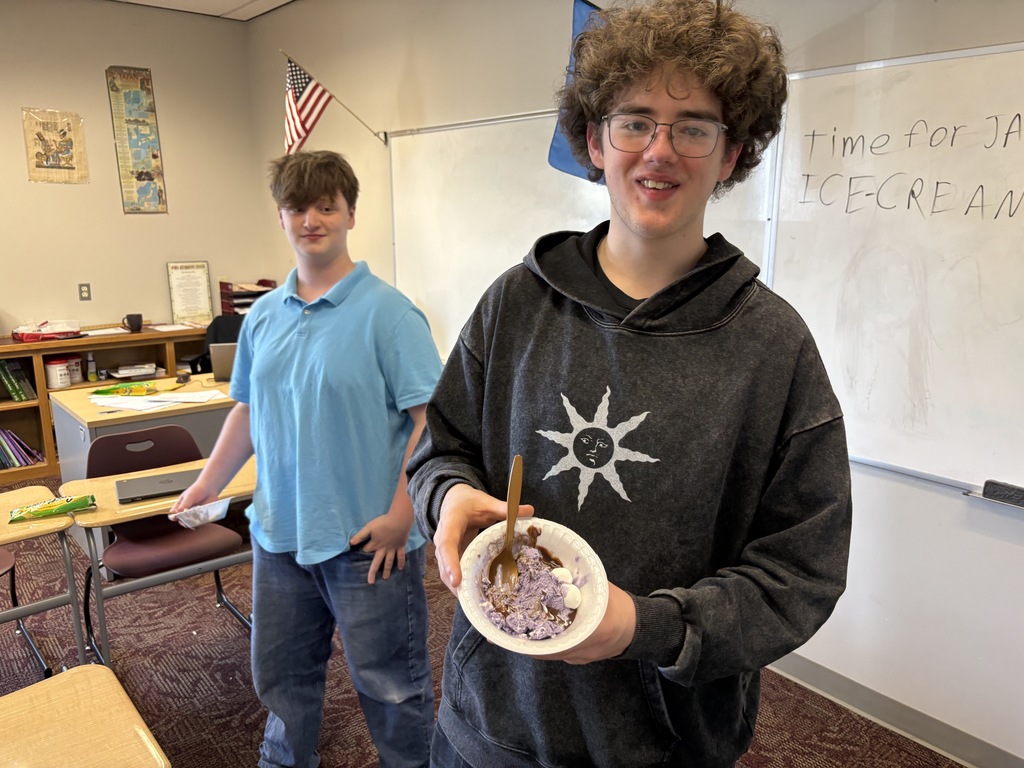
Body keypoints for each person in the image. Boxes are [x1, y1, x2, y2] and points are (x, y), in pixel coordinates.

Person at [406, 1, 853, 766]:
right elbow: (439, 449)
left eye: (694, 126)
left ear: (731, 151)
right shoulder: (515, 303)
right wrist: (445, 496)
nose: (660, 150)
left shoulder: (773, 346)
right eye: (634, 120)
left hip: (666, 744)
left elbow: (799, 573)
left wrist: (643, 627)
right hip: (492, 725)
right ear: (593, 139)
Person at [171, 150, 441, 768]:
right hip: (278, 537)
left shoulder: (389, 314)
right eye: (298, 207)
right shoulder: (261, 317)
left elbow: (430, 423)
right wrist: (203, 485)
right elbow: (246, 413)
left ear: (350, 214)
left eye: (327, 206)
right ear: (281, 216)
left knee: (391, 687)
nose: (311, 219)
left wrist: (405, 515)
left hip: (368, 541)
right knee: (282, 681)